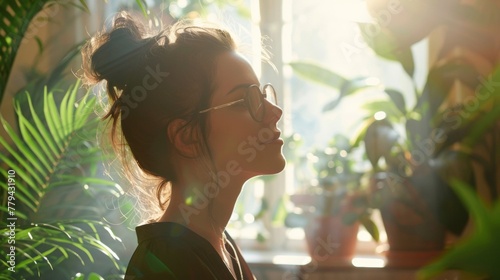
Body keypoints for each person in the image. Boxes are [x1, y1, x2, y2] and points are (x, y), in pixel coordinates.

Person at [81, 11, 285, 280]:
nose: (275, 111)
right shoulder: (165, 265)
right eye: (245, 101)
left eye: (260, 95)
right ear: (186, 137)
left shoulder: (221, 245)